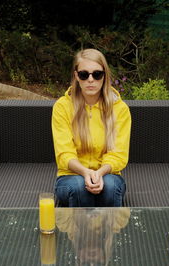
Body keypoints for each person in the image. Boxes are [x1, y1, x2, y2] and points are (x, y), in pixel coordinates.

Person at [52, 48, 131, 207]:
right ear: (76, 76)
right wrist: (85, 173)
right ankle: (77, 232)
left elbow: (118, 155)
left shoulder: (119, 109)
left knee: (111, 187)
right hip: (71, 176)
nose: (90, 79)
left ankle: (111, 232)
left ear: (104, 76)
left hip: (108, 175)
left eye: (97, 74)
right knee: (79, 187)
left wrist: (99, 174)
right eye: (84, 74)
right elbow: (64, 154)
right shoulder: (62, 107)